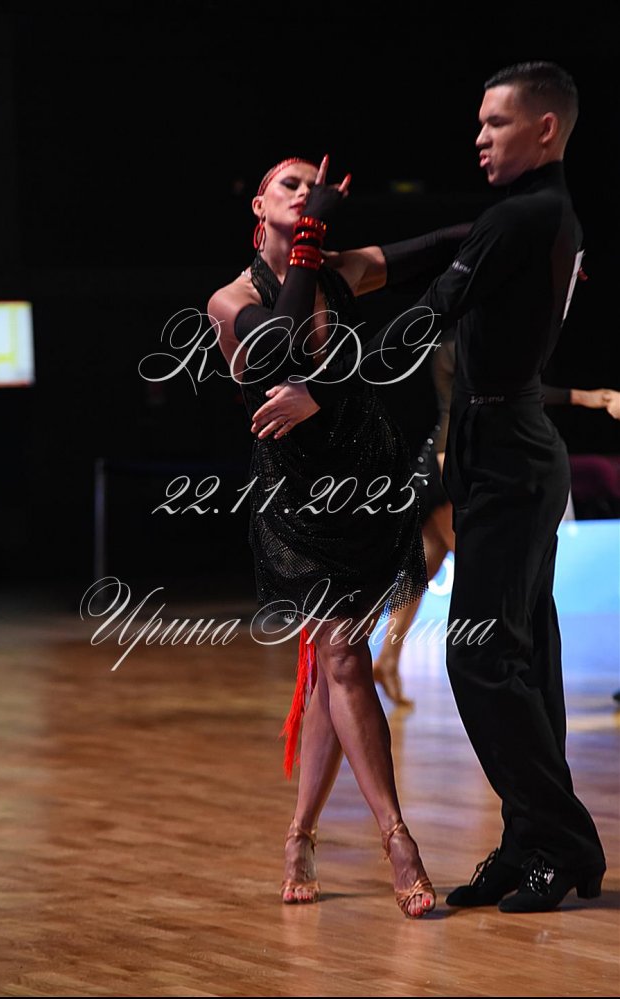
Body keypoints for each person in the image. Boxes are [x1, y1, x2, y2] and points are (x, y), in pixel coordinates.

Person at [250, 64, 607, 913]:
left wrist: (321, 389)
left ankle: (561, 840)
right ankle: (533, 843)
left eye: (496, 123)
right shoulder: (528, 220)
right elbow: (282, 340)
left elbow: (426, 314)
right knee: (520, 652)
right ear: (257, 207)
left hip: (503, 447)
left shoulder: (524, 217)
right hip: (479, 450)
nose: (478, 137)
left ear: (545, 130)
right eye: (479, 122)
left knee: (480, 654)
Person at [207, 154, 471, 918]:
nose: (302, 192)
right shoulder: (230, 300)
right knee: (344, 657)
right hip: (299, 501)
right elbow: (280, 349)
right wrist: (311, 237)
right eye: (287, 185)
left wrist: (543, 240)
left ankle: (299, 833)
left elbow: (446, 246)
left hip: (369, 483)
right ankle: (398, 838)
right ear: (259, 206)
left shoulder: (341, 271)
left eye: (309, 185)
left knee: (334, 667)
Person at [373, 333, 620, 707]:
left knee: (424, 567)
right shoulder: (458, 347)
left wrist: (590, 397)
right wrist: (591, 398)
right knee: (489, 577)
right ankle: (498, 678)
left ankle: (387, 661)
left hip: (454, 464)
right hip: (451, 468)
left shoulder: (477, 344)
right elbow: (462, 408)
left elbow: (521, 393)